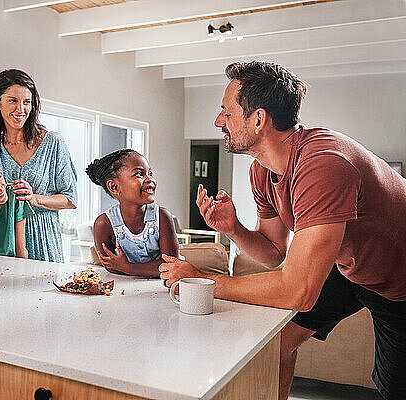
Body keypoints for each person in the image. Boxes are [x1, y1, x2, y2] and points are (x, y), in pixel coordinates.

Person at [158, 61, 406, 400]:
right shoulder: (263, 171)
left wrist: (204, 281)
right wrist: (233, 228)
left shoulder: (324, 164)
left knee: (395, 386)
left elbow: (297, 292)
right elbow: (275, 251)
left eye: (226, 114)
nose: (219, 122)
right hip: (351, 267)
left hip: (400, 278)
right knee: (276, 340)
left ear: (259, 120)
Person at [0, 69, 77, 263]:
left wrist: (35, 199)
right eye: (13, 101)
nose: (21, 109)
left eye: (27, 102)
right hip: (3, 243)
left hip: (44, 239)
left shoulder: (53, 143)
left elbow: (70, 199)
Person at [86, 149, 178, 277]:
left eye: (150, 173)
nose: (150, 179)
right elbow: (111, 267)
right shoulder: (104, 223)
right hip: (126, 287)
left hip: (162, 286)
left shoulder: (162, 216)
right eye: (139, 174)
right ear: (114, 187)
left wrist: (127, 267)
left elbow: (172, 266)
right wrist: (154, 266)